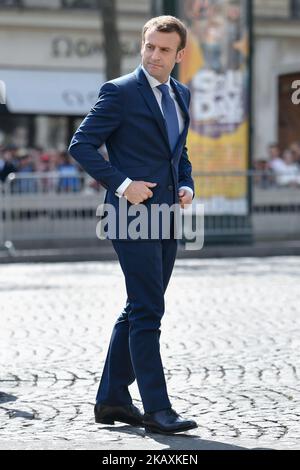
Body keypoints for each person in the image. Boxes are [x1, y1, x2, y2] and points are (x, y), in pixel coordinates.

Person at [69, 15, 197, 435]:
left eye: (164, 50)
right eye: (149, 47)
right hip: (129, 216)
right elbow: (81, 144)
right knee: (148, 310)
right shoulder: (120, 92)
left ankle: (111, 400)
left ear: (179, 55)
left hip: (166, 216)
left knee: (140, 304)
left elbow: (177, 152)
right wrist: (123, 185)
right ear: (142, 46)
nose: (154, 56)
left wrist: (187, 185)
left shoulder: (181, 93)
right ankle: (157, 409)